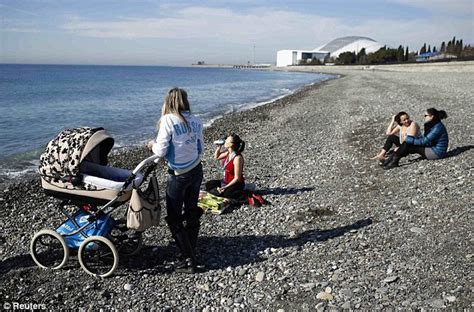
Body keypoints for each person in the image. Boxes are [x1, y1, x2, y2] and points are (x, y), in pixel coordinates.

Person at [148, 87, 204, 273]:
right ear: (186, 101)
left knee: (173, 217)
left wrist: (151, 145)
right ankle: (190, 250)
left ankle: (189, 259)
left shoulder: (168, 120)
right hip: (196, 169)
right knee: (191, 211)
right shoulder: (196, 120)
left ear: (169, 101)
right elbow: (200, 148)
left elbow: (161, 151)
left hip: (179, 174)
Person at [384, 108, 449, 169]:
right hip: (430, 147)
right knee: (408, 143)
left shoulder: (437, 127)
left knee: (408, 143)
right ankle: (392, 159)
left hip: (436, 153)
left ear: (431, 116)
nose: (424, 117)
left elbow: (424, 141)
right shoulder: (430, 124)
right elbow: (426, 140)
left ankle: (394, 161)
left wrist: (408, 138)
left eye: (425, 115)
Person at [205, 133, 246, 200]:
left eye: (227, 140)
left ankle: (242, 192)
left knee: (227, 194)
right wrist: (219, 147)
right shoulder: (228, 153)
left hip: (236, 183)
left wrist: (225, 187)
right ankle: (221, 191)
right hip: (225, 181)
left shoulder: (237, 158)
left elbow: (237, 178)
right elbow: (217, 157)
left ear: (231, 144)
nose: (225, 140)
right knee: (209, 184)